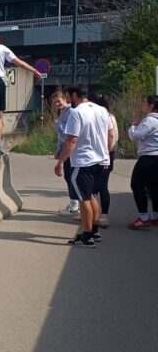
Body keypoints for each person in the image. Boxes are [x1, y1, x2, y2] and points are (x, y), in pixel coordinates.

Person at [55, 84, 113, 247]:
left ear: (74, 95)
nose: (67, 100)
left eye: (68, 96)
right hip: (101, 160)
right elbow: (110, 134)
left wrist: (60, 162)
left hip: (83, 161)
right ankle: (94, 231)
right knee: (92, 195)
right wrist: (106, 154)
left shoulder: (76, 112)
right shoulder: (102, 110)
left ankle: (87, 236)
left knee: (83, 198)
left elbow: (72, 139)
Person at [126, 94, 158, 230]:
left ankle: (143, 217)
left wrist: (133, 126)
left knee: (136, 185)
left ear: (151, 106)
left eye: (144, 101)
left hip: (148, 157)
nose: (142, 103)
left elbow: (135, 136)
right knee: (154, 187)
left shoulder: (149, 120)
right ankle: (155, 217)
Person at [51, 90, 79, 217]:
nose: (57, 104)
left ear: (65, 99)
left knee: (70, 177)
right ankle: (74, 203)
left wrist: (58, 124)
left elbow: (67, 133)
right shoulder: (62, 112)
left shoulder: (70, 112)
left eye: (59, 101)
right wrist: (58, 151)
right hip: (64, 149)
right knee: (69, 177)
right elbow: (60, 137)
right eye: (55, 103)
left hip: (70, 150)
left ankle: (74, 205)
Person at [93, 94, 118, 228]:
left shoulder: (107, 117)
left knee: (101, 186)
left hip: (105, 155)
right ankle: (95, 214)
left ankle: (104, 215)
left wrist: (106, 154)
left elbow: (112, 137)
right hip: (102, 154)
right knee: (95, 186)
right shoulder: (106, 116)